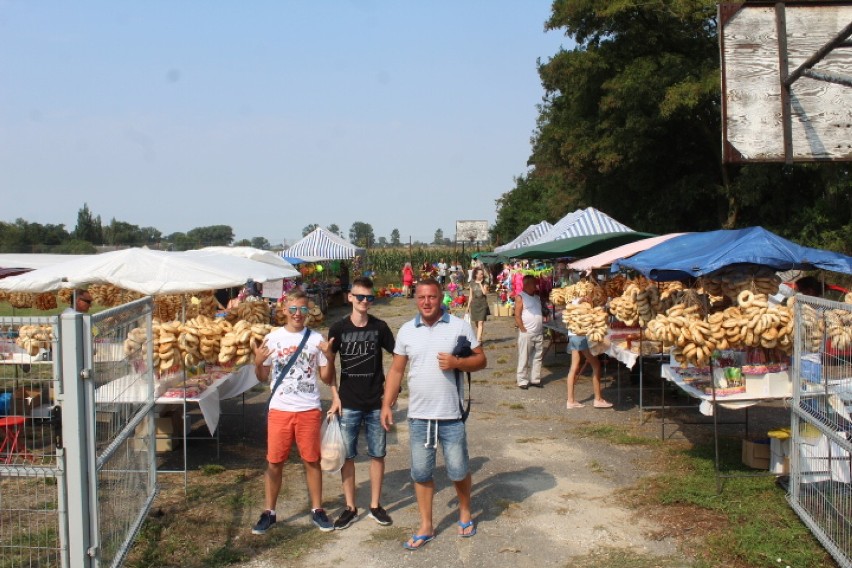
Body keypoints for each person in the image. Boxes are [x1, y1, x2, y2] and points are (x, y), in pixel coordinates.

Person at [380, 278, 487, 550]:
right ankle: (426, 525)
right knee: (420, 473)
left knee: (459, 469)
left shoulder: (459, 327)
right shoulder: (406, 331)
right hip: (419, 417)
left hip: (451, 416)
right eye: (422, 297)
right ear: (416, 299)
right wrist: (386, 403)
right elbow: (396, 371)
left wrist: (457, 362)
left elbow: (481, 359)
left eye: (432, 297)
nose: (427, 302)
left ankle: (465, 512)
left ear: (441, 298)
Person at [250, 289, 339, 535]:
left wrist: (329, 359)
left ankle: (317, 509)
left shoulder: (315, 339)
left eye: (303, 309)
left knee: (312, 460)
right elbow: (263, 376)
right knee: (275, 462)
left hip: (308, 408)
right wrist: (258, 363)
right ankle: (269, 511)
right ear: (283, 311)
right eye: (293, 309)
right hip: (280, 409)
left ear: (308, 312)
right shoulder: (272, 338)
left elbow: (326, 377)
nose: (298, 314)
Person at [326, 276, 396, 530]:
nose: (365, 301)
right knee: (347, 456)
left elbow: (398, 359)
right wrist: (334, 396)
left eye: (369, 297)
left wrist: (390, 395)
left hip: (376, 403)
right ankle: (350, 507)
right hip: (349, 403)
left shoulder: (380, 328)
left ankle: (375, 505)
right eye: (360, 297)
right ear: (350, 298)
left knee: (377, 454)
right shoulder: (338, 329)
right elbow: (328, 366)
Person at [565, 298, 612, 410]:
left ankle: (570, 401)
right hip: (580, 339)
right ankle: (598, 399)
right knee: (596, 365)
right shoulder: (580, 306)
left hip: (573, 337)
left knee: (573, 368)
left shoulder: (571, 308)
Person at [514, 275, 544, 389]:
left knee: (537, 357)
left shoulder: (537, 297)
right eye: (533, 283)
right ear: (526, 284)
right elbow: (517, 314)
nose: (535, 285)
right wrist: (523, 329)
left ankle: (535, 379)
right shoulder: (520, 297)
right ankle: (522, 380)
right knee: (524, 357)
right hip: (527, 332)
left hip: (538, 332)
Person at [466, 267, 489, 342]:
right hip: (474, 305)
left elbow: (485, 293)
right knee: (476, 322)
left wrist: (480, 284)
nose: (482, 275)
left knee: (481, 322)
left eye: (482, 274)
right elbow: (470, 296)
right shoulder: (471, 283)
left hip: (483, 304)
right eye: (480, 274)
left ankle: (478, 340)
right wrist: (468, 307)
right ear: (476, 275)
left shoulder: (485, 282)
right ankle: (480, 336)